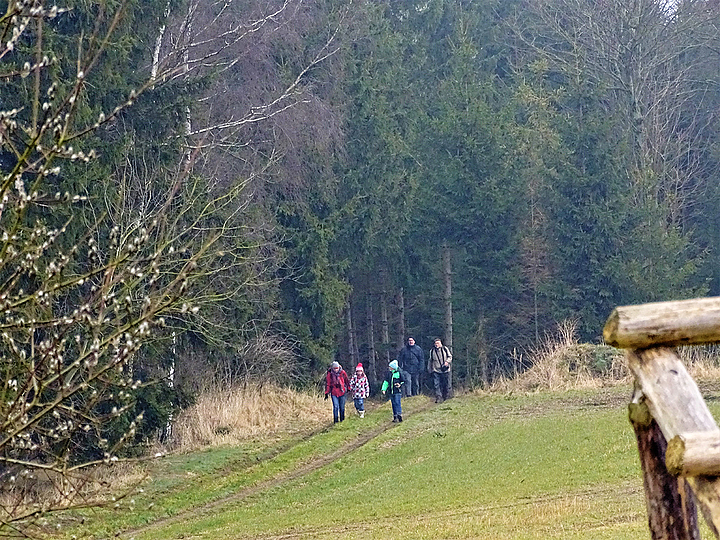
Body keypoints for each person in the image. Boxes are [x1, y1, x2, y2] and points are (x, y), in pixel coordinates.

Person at [428, 338, 452, 403]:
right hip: (436, 370)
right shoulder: (432, 351)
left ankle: (445, 397)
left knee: (445, 384)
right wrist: (430, 369)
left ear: (440, 343)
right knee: (436, 385)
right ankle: (438, 397)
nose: (436, 345)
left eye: (438, 343)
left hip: (445, 370)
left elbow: (450, 357)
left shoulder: (445, 349)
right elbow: (430, 360)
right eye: (435, 343)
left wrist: (447, 362)